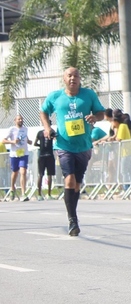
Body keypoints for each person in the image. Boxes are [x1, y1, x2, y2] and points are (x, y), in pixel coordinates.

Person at [39, 67, 106, 236]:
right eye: (69, 75)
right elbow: (43, 112)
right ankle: (72, 219)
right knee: (69, 180)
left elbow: (101, 113)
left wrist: (95, 117)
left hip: (83, 146)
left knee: (77, 184)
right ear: (64, 79)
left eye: (76, 75)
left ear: (79, 78)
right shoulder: (55, 96)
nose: (73, 78)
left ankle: (73, 214)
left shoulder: (88, 94)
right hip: (63, 145)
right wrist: (47, 128)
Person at [3, 114, 32, 201]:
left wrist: (29, 141)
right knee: (15, 172)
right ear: (15, 121)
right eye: (19, 119)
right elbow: (3, 141)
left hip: (24, 154)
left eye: (21, 119)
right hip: (14, 154)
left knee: (23, 172)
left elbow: (26, 138)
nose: (20, 120)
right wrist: (12, 141)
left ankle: (23, 193)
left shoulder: (25, 129)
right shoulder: (11, 129)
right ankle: (12, 188)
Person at [34, 127, 57, 200]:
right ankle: (48, 194)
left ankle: (40, 194)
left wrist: (40, 146)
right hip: (48, 155)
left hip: (42, 155)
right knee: (47, 175)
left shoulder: (40, 133)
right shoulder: (50, 132)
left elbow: (35, 143)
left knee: (41, 174)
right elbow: (56, 139)